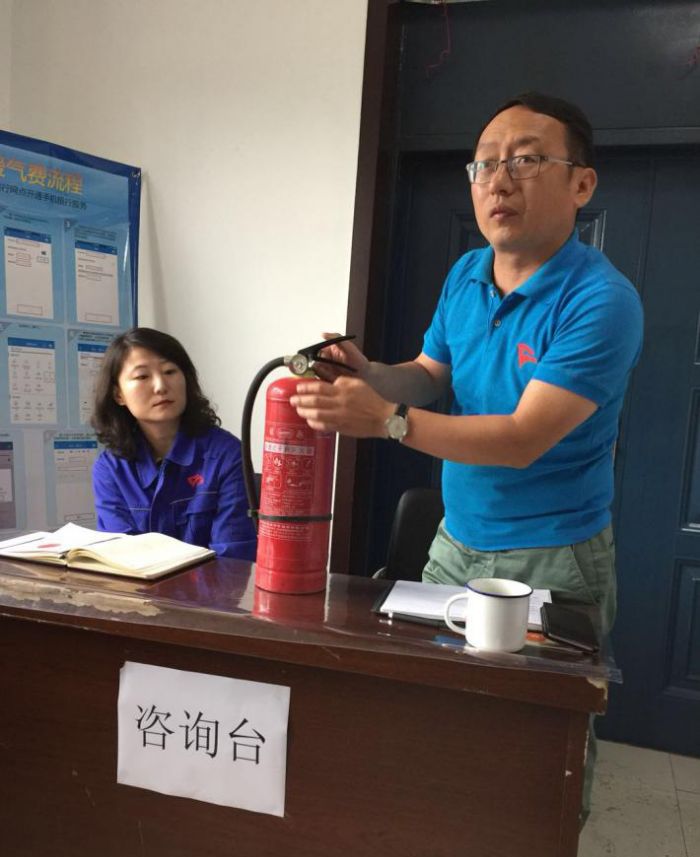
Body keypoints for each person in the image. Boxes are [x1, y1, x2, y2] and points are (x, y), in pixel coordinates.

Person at [290, 93, 644, 815]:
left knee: (537, 755)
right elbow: (429, 374)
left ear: (581, 183)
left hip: (551, 558)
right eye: (484, 165)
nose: (498, 180)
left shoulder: (601, 300)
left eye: (526, 159)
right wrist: (369, 372)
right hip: (455, 543)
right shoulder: (466, 275)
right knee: (436, 723)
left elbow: (521, 438)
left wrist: (386, 421)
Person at [91, 327, 256, 561]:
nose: (160, 386)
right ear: (118, 395)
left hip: (214, 585)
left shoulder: (226, 455)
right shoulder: (110, 468)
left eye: (170, 371)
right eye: (142, 376)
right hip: (141, 585)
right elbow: (121, 559)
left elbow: (232, 558)